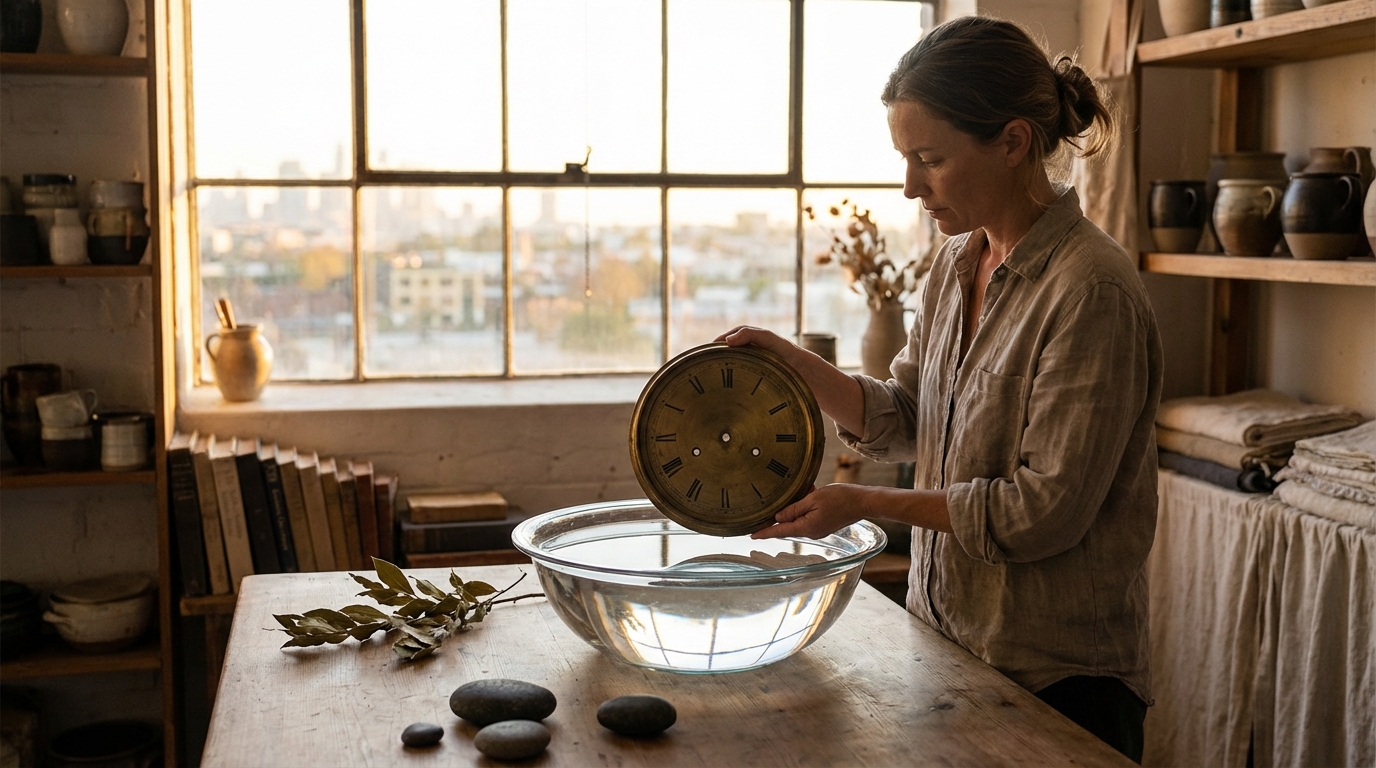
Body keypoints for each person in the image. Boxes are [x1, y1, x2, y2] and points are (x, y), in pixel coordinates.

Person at [718, 15, 1162, 764]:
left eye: (931, 159)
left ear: (1014, 141)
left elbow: (1041, 513)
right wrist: (798, 364)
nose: (910, 187)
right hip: (949, 643)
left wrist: (863, 505)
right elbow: (910, 418)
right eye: (905, 158)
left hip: (1059, 678)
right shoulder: (956, 267)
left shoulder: (1092, 290)